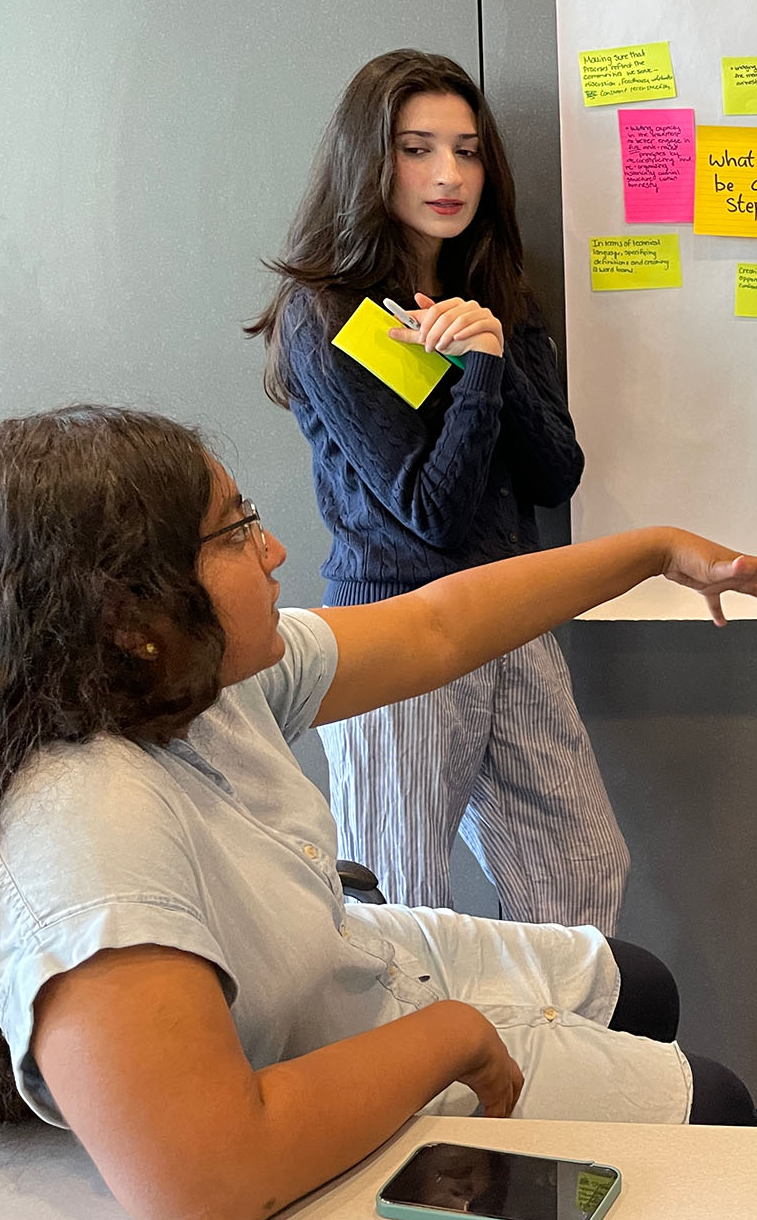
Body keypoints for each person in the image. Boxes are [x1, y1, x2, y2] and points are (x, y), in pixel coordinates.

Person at [0, 406, 757, 1220]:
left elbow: (437, 626)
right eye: (234, 533)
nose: (272, 550)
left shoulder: (195, 681)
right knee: (719, 1105)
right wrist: (451, 1035)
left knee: (644, 985)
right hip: (306, 1065)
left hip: (340, 955)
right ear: (128, 616)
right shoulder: (86, 828)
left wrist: (654, 552)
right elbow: (204, 1185)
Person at [247, 49, 624, 930]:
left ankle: (550, 1059)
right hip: (395, 632)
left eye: (467, 150)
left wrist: (489, 352)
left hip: (510, 616)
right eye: (417, 149)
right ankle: (423, 1070)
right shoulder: (329, 310)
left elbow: (555, 472)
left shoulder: (492, 293)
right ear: (368, 160)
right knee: (400, 899)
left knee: (583, 873)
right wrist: (476, 375)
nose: (449, 175)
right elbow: (433, 513)